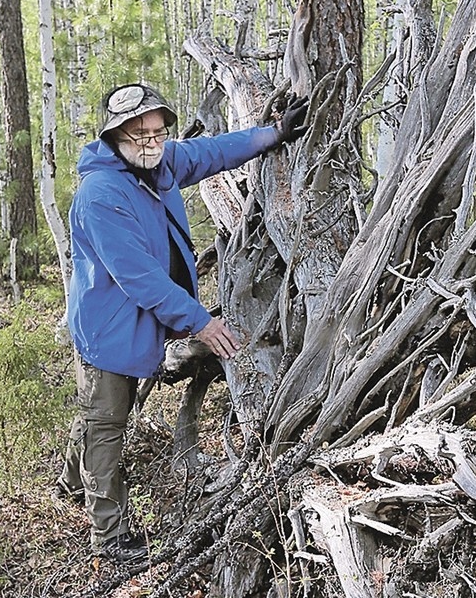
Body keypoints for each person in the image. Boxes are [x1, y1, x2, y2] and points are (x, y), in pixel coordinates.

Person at [55, 83, 309, 564]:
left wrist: (273, 135)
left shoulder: (160, 163)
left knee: (103, 412)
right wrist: (201, 322)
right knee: (107, 421)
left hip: (145, 324)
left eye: (156, 132)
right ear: (114, 138)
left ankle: (71, 481)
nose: (151, 142)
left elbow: (213, 152)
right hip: (109, 328)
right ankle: (108, 537)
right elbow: (139, 278)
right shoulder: (100, 194)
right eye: (138, 134)